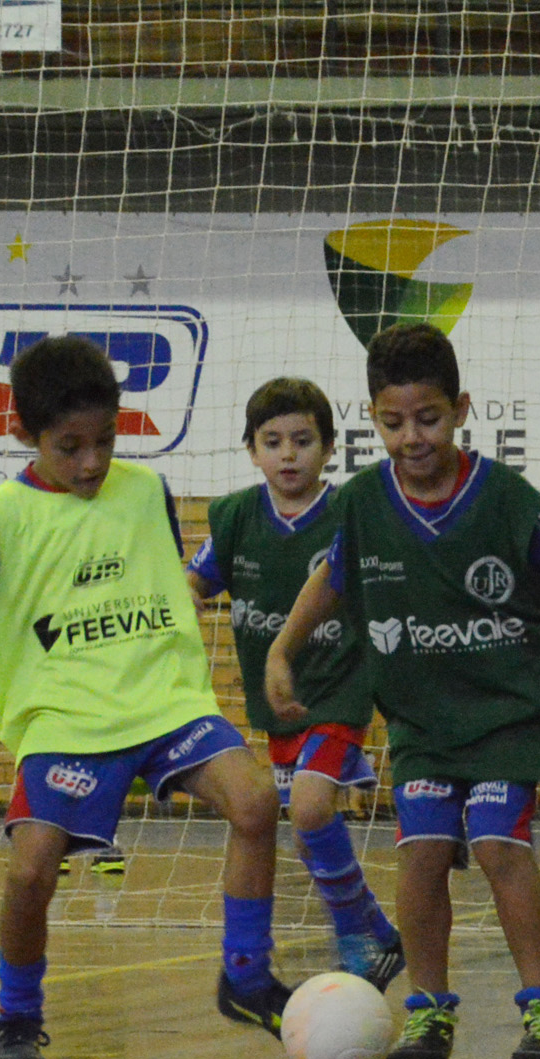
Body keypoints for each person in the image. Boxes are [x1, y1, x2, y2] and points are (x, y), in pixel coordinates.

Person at [0, 335, 289, 1059]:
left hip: (164, 701)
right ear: (24, 435)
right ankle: (16, 1014)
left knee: (257, 802)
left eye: (105, 441)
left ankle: (244, 975)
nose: (92, 463)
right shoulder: (2, 514)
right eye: (69, 447)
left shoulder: (146, 493)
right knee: (32, 871)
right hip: (67, 718)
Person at [263, 322, 540, 1059]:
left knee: (501, 842)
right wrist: (282, 647)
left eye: (429, 418)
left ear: (461, 408)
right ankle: (429, 1011)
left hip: (507, 708)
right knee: (422, 849)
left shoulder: (501, 495)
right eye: (395, 422)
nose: (413, 437)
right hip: (425, 713)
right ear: (373, 418)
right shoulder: (366, 504)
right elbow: (333, 581)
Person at [186, 377, 404, 989]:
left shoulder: (349, 514)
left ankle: (355, 934)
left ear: (330, 447)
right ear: (251, 449)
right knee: (306, 828)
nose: (288, 454)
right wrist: (185, 601)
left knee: (310, 807)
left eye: (303, 440)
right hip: (276, 703)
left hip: (337, 690)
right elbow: (196, 580)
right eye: (273, 441)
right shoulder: (233, 517)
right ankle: (377, 929)